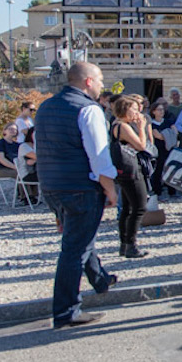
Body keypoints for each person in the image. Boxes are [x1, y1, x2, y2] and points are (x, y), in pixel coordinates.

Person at [36, 62, 119, 328]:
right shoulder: (88, 109)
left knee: (80, 236)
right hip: (80, 187)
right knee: (75, 249)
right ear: (88, 81)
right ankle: (66, 311)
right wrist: (110, 190)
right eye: (100, 79)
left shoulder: (46, 106)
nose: (102, 85)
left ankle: (100, 280)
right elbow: (99, 156)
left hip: (52, 185)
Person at [110, 95, 151, 258]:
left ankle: (124, 243)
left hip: (123, 169)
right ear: (125, 109)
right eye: (133, 108)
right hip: (130, 169)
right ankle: (131, 245)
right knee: (139, 207)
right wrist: (142, 127)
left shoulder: (116, 124)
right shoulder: (123, 126)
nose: (137, 112)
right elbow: (141, 145)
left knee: (127, 208)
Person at [148, 99, 174, 198]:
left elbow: (175, 132)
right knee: (158, 169)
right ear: (153, 111)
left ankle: (172, 190)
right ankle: (157, 190)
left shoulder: (168, 121)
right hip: (158, 149)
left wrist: (166, 134)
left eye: (162, 110)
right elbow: (158, 136)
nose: (161, 111)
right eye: (159, 110)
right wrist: (168, 134)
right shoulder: (152, 124)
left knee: (170, 169)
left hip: (169, 149)